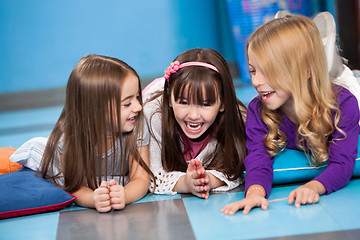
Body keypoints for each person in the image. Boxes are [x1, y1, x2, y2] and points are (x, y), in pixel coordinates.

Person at [221, 15, 359, 215]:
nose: (256, 81)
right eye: (252, 71)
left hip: (343, 93)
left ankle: (340, 66)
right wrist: (255, 193)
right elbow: (258, 158)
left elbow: (342, 163)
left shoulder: (344, 103)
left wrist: (313, 187)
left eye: (267, 71)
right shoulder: (258, 110)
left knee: (352, 84)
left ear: (305, 71)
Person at [10, 54, 155, 212]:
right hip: (62, 163)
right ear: (96, 110)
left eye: (137, 97)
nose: (138, 107)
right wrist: (93, 199)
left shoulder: (137, 124)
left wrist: (124, 195)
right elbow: (73, 186)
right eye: (127, 103)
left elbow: (140, 178)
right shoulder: (67, 137)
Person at [142, 48, 247, 199]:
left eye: (205, 105)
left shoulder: (237, 119)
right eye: (184, 103)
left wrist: (207, 180)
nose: (193, 115)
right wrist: (185, 183)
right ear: (170, 99)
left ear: (223, 103)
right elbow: (150, 174)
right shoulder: (152, 116)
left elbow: (236, 167)